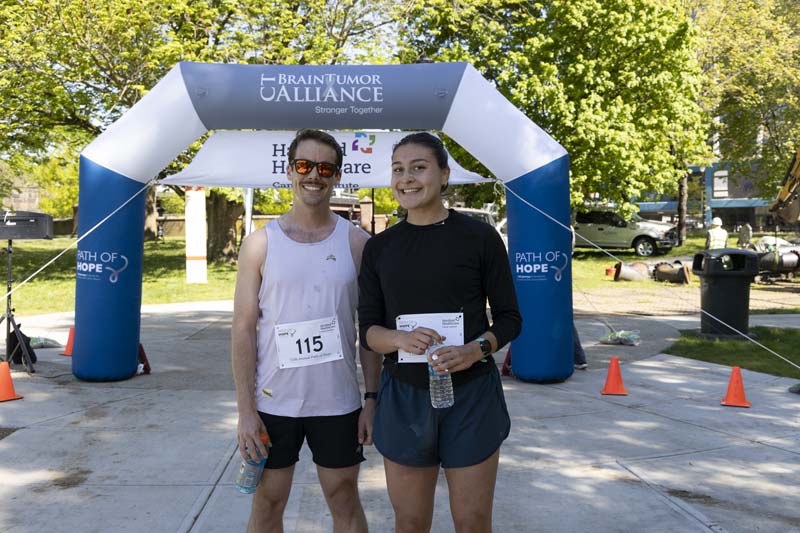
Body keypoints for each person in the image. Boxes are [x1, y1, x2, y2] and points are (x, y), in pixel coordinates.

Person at [358, 132, 522, 533]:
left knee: (472, 521)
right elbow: (369, 332)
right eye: (398, 169)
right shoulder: (380, 248)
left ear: (445, 175)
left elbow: (509, 318)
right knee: (411, 522)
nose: (406, 178)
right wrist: (398, 340)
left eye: (419, 168)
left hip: (471, 396)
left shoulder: (479, 238)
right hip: (405, 397)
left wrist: (475, 349)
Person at [232, 129, 380, 533]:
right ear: (289, 171)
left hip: (337, 402)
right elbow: (243, 329)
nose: (314, 175)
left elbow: (370, 328)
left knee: (343, 498)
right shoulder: (260, 244)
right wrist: (246, 411)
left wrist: (371, 398)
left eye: (325, 168)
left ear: (337, 176)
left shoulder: (358, 243)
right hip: (273, 403)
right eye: (304, 165)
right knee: (267, 502)